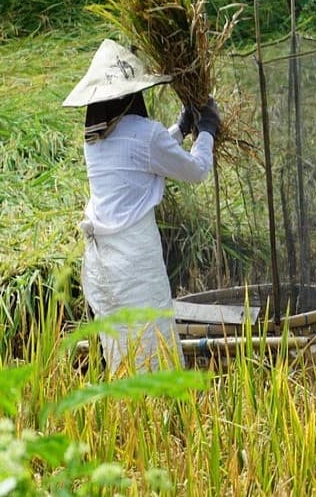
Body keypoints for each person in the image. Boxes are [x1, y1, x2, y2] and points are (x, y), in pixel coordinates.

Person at [63, 39, 221, 373]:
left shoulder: (96, 137)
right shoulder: (146, 135)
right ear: (132, 95)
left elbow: (138, 156)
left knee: (122, 348)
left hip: (102, 267)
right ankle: (157, 417)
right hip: (135, 265)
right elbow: (195, 170)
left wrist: (179, 130)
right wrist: (206, 130)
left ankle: (132, 418)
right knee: (152, 346)